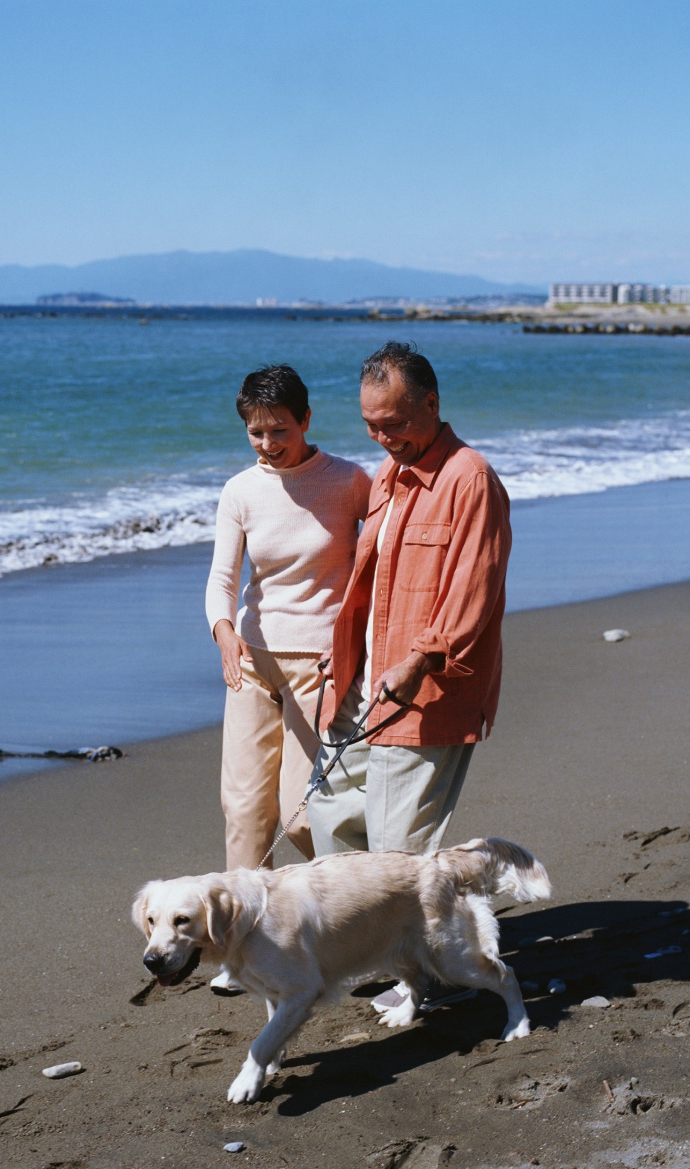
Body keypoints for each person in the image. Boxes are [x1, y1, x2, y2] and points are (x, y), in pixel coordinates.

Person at [306, 341, 512, 1015]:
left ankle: (415, 981)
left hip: (427, 694)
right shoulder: (389, 476)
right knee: (333, 819)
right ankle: (363, 953)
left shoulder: (468, 476)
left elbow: (474, 590)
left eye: (393, 421)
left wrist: (421, 658)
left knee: (400, 853)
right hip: (362, 684)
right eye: (370, 424)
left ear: (431, 403)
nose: (382, 436)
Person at [206, 364, 372, 882]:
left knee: (303, 818)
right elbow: (222, 579)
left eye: (280, 429)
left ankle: (365, 903)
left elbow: (382, 564)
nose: (267, 443)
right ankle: (247, 942)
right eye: (256, 431)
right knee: (244, 814)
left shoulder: (350, 481)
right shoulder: (240, 490)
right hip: (252, 662)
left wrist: (359, 643)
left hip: (319, 667)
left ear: (305, 419)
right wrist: (223, 631)